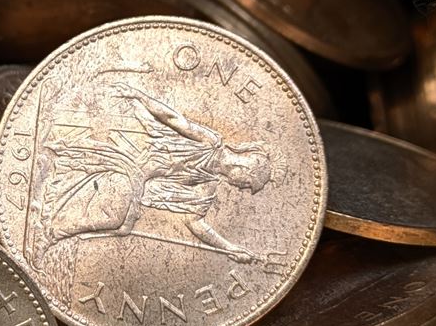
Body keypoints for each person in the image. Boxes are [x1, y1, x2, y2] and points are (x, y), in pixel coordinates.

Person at [40, 82, 272, 263]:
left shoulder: (208, 185)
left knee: (122, 226)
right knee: (116, 220)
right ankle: (51, 234)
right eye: (247, 184)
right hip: (131, 158)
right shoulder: (210, 143)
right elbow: (173, 119)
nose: (242, 189)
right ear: (245, 168)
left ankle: (54, 232)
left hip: (136, 180)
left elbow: (196, 223)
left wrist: (230, 248)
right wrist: (139, 95)